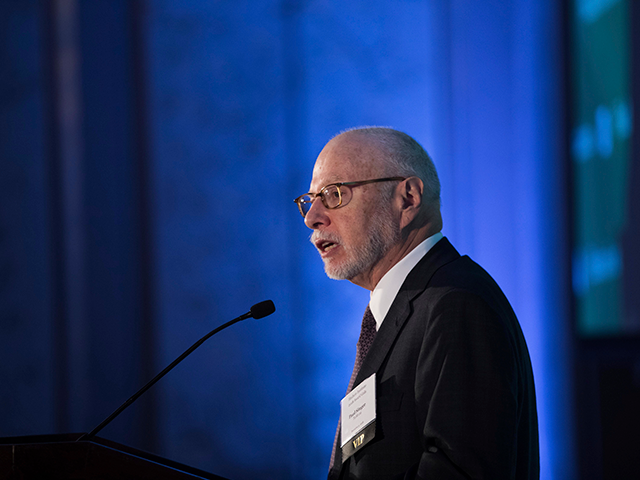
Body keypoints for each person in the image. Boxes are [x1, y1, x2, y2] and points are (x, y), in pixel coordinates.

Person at [294, 127, 539, 479]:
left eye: (333, 194)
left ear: (407, 198)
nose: (312, 217)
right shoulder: (405, 311)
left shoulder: (456, 306)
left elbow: (459, 473)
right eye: (310, 199)